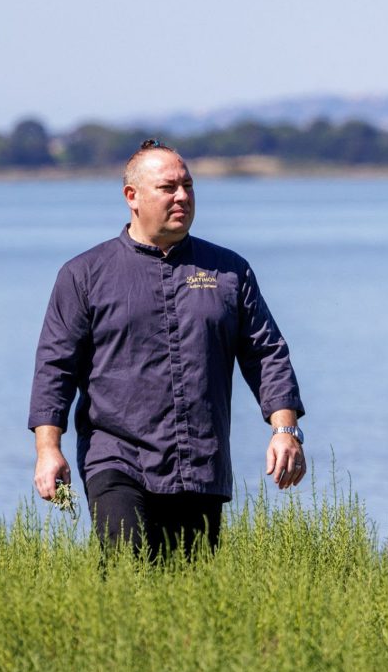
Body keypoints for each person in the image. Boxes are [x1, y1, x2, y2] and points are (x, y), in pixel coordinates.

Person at [28, 140, 306, 560]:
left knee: (187, 597)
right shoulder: (83, 274)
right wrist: (48, 450)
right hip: (116, 457)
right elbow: (55, 368)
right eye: (168, 187)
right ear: (132, 197)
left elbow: (266, 353)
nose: (182, 197)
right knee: (126, 570)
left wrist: (285, 431)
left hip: (200, 461)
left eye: (188, 186)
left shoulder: (228, 271)